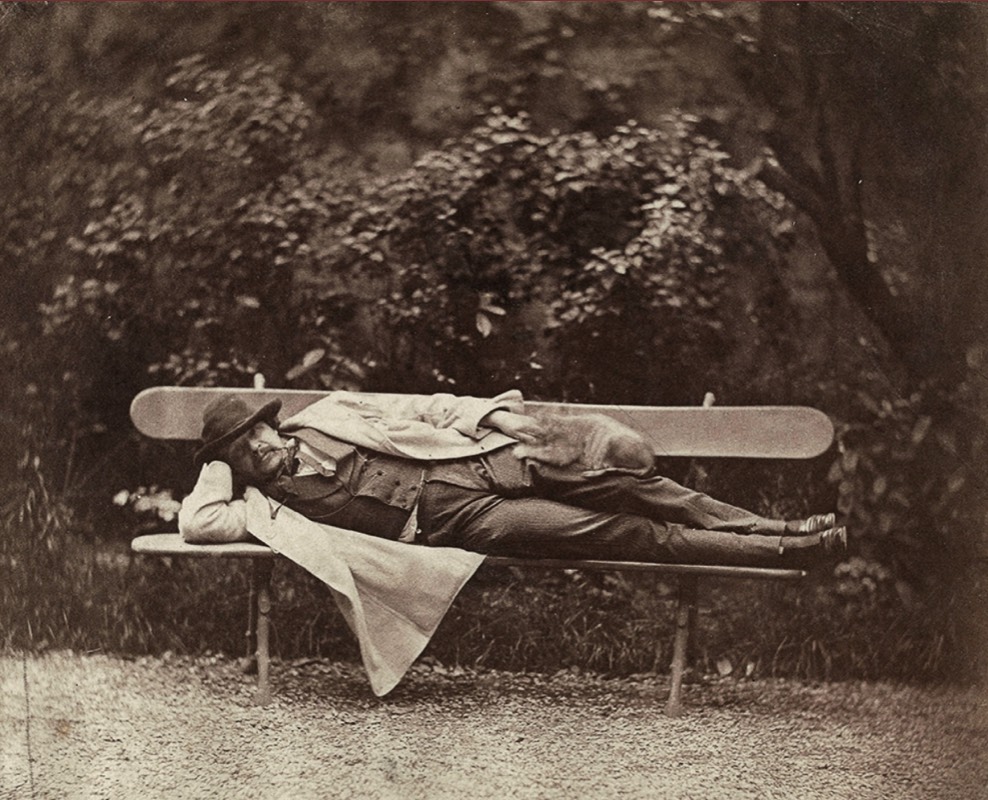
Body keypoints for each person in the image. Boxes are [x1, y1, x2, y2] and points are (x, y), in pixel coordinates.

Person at [179, 390, 846, 569]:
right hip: (460, 523)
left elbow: (425, 411)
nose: (260, 446)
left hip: (477, 460)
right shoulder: (268, 510)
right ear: (232, 464)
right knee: (623, 533)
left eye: (258, 431)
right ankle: (788, 550)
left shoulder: (329, 416)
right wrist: (218, 459)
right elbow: (198, 522)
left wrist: (493, 415)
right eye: (243, 449)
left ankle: (775, 524)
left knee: (631, 483)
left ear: (274, 423)